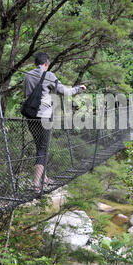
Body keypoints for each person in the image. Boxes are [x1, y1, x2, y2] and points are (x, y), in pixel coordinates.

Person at [24, 52, 86, 192]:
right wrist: (79, 88)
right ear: (46, 63)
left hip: (30, 115)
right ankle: (36, 184)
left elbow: (26, 94)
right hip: (44, 116)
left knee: (39, 146)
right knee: (43, 148)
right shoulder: (49, 75)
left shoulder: (27, 75)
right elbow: (65, 91)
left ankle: (44, 178)